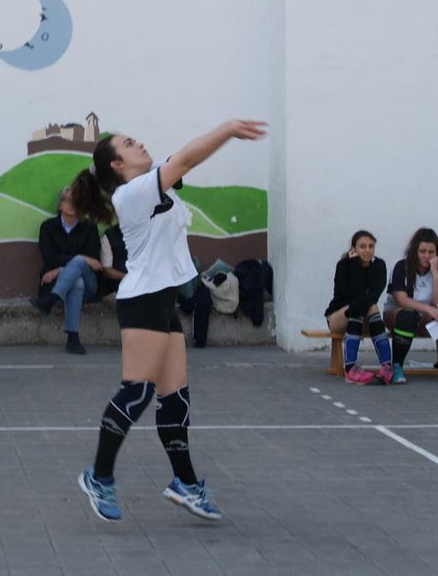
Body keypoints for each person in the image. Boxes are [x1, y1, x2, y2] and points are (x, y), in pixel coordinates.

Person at [68, 119, 267, 523]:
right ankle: (98, 476)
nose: (139, 142)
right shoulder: (132, 193)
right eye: (129, 143)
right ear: (117, 165)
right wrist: (229, 129)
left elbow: (185, 160)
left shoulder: (152, 180)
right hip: (142, 299)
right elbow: (188, 158)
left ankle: (185, 484)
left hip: (163, 299)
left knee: (175, 397)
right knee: (137, 392)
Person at [101, 224, 213, 347]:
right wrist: (130, 278)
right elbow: (107, 270)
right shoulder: (109, 237)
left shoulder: (148, 232)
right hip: (124, 284)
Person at [383, 227, 438, 384]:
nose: (427, 256)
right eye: (422, 251)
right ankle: (397, 366)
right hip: (398, 314)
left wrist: (435, 273)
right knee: (408, 315)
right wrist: (429, 309)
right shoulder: (401, 267)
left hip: (427, 317)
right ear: (415, 251)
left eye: (431, 252)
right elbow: (402, 300)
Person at [30, 186, 101, 355]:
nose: (71, 204)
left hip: (89, 286)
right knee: (77, 281)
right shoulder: (48, 227)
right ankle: (73, 339)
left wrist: (60, 269)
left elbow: (93, 260)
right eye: (67, 200)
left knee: (80, 264)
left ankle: (52, 299)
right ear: (60, 205)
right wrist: (80, 260)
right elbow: (50, 258)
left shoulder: (89, 227)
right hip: (61, 283)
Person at [324, 230, 392, 385]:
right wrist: (355, 265)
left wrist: (358, 304)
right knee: (359, 307)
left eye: (371, 246)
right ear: (353, 249)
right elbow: (352, 294)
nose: (367, 250)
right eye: (362, 246)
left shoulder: (379, 265)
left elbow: (374, 295)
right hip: (339, 316)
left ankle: (386, 367)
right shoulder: (344, 265)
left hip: (361, 314)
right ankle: (350, 369)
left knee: (371, 307)